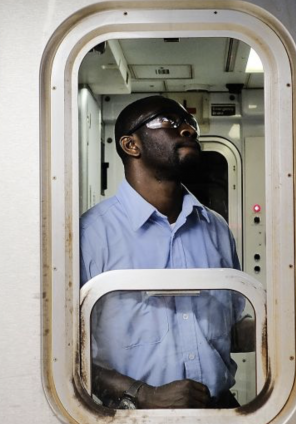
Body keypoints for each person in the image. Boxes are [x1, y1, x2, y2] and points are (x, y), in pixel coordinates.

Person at [79, 95, 253, 409]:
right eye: (169, 122)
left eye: (190, 124)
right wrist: (144, 394)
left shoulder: (215, 228)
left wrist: (289, 323)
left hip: (221, 411)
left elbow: (229, 328)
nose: (187, 130)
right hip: (134, 416)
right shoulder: (91, 234)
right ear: (131, 145)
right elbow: (63, 352)